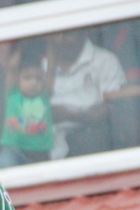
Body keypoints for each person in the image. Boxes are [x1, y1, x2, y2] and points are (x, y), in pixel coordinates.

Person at [48, 28, 127, 158]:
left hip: (94, 147)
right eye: (57, 33)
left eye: (68, 33)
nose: (61, 39)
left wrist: (70, 114)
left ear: (83, 32)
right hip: (47, 151)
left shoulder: (104, 61)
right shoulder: (40, 64)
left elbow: (114, 111)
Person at [0, 42, 54, 167]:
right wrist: (21, 46)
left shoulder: (44, 95)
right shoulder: (12, 94)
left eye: (38, 78)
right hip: (14, 151)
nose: (33, 83)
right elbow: (12, 68)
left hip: (40, 154)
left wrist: (50, 45)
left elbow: (51, 69)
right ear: (18, 79)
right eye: (27, 78)